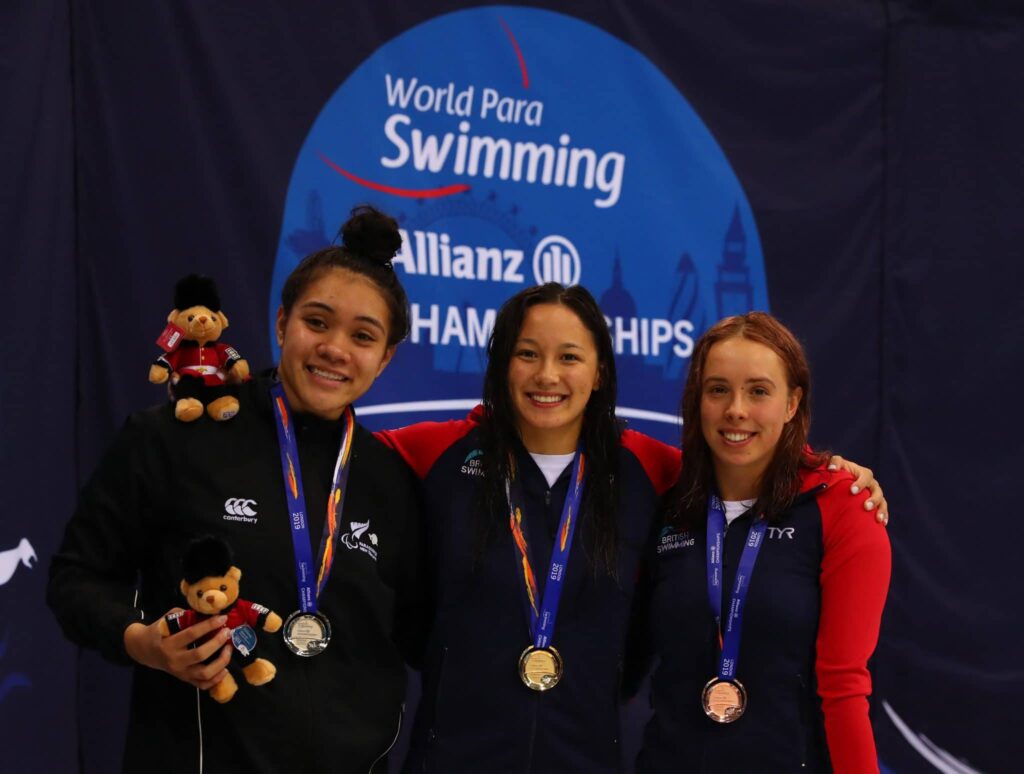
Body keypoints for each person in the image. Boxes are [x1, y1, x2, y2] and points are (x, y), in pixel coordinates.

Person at [378, 285, 886, 773]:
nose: (547, 375)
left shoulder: (650, 469)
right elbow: (340, 452)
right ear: (502, 364)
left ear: (599, 372)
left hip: (586, 759)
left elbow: (741, 468)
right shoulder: (435, 454)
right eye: (527, 353)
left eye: (570, 357)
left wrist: (827, 471)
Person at [47, 206, 424, 774]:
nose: (335, 349)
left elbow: (416, 634)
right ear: (281, 323)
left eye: (362, 336)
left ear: (385, 357)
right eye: (316, 323)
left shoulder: (390, 481)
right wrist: (141, 640)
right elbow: (76, 579)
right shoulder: (176, 436)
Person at [634, 312, 891, 773]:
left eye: (758, 391)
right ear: (697, 402)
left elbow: (845, 687)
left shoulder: (842, 507)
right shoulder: (666, 502)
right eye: (718, 390)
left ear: (792, 402)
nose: (736, 410)